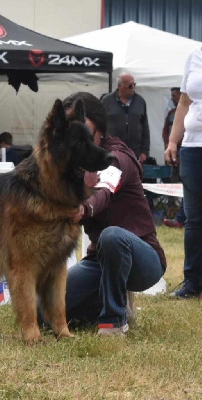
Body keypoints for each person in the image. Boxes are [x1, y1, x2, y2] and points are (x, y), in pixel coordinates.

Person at [39, 92, 166, 336]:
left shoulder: (117, 156)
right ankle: (106, 299)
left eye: (83, 126)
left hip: (143, 257)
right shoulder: (71, 163)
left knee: (112, 237)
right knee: (42, 313)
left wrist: (84, 209)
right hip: (99, 261)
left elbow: (105, 190)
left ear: (99, 126)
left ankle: (114, 322)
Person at [165, 46, 202, 299]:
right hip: (192, 146)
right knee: (194, 220)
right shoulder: (194, 55)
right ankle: (192, 282)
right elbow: (185, 103)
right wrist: (172, 141)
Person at [101, 73, 150, 163]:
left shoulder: (140, 101)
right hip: (112, 150)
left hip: (135, 151)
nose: (133, 88)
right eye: (130, 86)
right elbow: (99, 125)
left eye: (134, 84)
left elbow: (145, 127)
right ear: (120, 86)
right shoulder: (106, 101)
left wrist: (145, 151)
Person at [162, 87, 186, 229]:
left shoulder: (190, 112)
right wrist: (169, 144)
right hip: (175, 152)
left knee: (187, 184)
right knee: (174, 181)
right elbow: (166, 131)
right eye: (171, 95)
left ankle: (181, 216)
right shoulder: (171, 114)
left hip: (186, 151)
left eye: (175, 95)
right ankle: (173, 212)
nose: (172, 98)